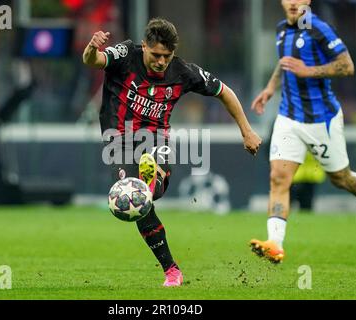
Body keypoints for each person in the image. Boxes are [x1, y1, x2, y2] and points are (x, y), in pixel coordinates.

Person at [83, 18, 262, 286]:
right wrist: (90, 48)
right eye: (155, 55)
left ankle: (151, 178)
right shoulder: (125, 55)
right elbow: (93, 61)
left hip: (156, 139)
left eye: (167, 56)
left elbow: (224, 92)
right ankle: (172, 270)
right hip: (118, 143)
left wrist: (246, 131)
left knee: (143, 195)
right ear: (144, 46)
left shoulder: (183, 72)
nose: (161, 62)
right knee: (137, 205)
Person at [249, 0, 356, 264]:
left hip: (322, 120)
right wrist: (271, 88)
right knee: (278, 178)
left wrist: (308, 71)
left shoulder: (318, 28)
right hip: (288, 117)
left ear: (308, 1)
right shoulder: (281, 29)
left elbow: (347, 65)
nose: (294, 2)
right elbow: (284, 63)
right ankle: (275, 243)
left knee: (342, 179)